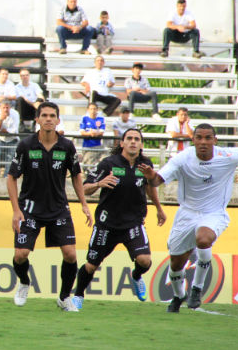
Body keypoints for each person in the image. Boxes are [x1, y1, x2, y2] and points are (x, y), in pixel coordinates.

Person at [138, 124, 238, 312]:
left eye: (208, 138)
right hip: (187, 214)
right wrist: (151, 176)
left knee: (204, 239)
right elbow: (158, 180)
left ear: (215, 140)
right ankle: (179, 295)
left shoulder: (228, 155)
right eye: (199, 137)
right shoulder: (182, 159)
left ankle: (196, 289)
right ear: (193, 140)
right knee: (176, 264)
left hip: (214, 213)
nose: (203, 142)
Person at [7, 102, 92, 311]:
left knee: (71, 255)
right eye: (44, 115)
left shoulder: (66, 146)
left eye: (52, 115)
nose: (48, 119)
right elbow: (11, 178)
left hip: (58, 209)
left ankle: (64, 297)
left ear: (58, 119)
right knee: (20, 255)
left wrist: (84, 204)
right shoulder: (25, 146)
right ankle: (25, 283)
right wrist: (16, 210)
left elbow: (76, 175)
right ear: (37, 119)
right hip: (30, 210)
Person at [71, 128, 167, 309]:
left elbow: (149, 187)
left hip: (133, 223)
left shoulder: (145, 165)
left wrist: (159, 208)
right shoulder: (108, 163)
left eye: (136, 139)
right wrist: (99, 183)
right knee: (91, 266)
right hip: (107, 225)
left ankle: (136, 276)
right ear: (121, 143)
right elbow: (83, 188)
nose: (133, 142)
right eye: (129, 138)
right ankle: (78, 295)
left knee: (144, 260)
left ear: (141, 144)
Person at [0, 100, 20, 177]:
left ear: (10, 107)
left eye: (7, 107)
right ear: (0, 108)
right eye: (4, 107)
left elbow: (14, 130)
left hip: (12, 139)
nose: (5, 109)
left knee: (11, 158)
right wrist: (1, 120)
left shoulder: (15, 114)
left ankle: (7, 175)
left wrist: (4, 131)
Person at [79, 103, 106, 167]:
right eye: (91, 109)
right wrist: (90, 133)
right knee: (87, 164)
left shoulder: (101, 119)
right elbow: (82, 132)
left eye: (94, 109)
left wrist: (96, 133)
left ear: (97, 110)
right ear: (88, 110)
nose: (93, 111)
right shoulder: (84, 118)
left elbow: (102, 132)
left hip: (97, 146)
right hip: (86, 146)